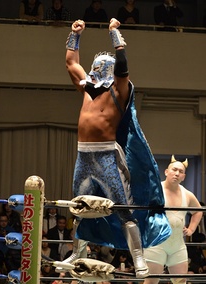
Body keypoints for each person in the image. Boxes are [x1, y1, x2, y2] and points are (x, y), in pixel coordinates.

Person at [63, 18, 171, 278]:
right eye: (95, 66)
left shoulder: (118, 91)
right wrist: (74, 34)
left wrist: (115, 35)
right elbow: (71, 63)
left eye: (101, 66)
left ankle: (138, 258)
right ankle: (79, 251)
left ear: (108, 71)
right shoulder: (87, 91)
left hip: (108, 156)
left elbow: (123, 68)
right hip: (84, 155)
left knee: (124, 209)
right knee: (80, 206)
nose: (95, 69)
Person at [143, 155, 203, 284]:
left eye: (181, 171)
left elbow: (198, 211)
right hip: (156, 244)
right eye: (174, 170)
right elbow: (139, 210)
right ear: (166, 172)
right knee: (151, 282)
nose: (177, 173)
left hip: (177, 245)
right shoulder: (155, 191)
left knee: (181, 281)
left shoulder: (187, 194)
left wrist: (192, 229)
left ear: (184, 177)